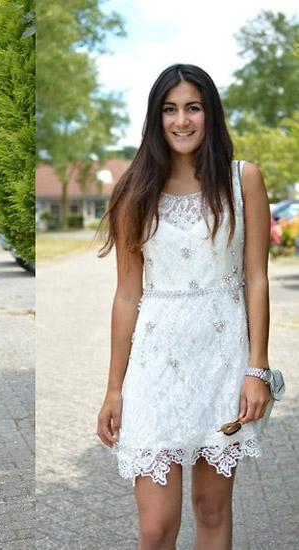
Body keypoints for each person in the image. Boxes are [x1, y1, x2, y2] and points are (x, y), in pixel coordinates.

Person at [96, 64, 272, 549]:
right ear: (155, 118)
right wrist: (114, 389)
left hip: (222, 362)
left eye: (192, 107)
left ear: (209, 113)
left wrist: (257, 368)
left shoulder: (243, 180)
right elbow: (127, 295)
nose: (181, 120)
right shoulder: (133, 189)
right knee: (156, 527)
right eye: (170, 109)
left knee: (212, 510)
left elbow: (257, 278)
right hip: (154, 370)